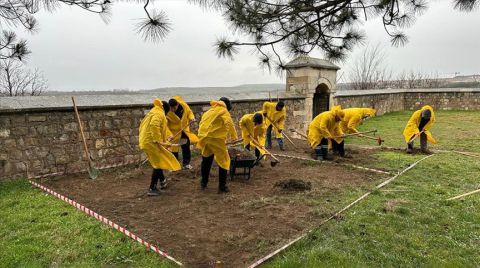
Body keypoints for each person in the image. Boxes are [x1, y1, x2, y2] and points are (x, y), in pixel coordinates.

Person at [138, 99, 181, 196]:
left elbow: (161, 128)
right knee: (158, 163)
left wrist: (168, 136)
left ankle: (162, 181)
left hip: (146, 141)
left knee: (159, 160)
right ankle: (152, 188)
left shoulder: (153, 112)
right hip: (151, 143)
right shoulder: (159, 114)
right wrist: (158, 140)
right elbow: (154, 125)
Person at [196, 97, 238, 193]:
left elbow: (202, 123)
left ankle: (204, 182)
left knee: (206, 160)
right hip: (216, 139)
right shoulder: (223, 110)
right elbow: (229, 123)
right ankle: (222, 187)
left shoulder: (210, 111)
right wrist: (234, 137)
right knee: (224, 160)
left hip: (205, 138)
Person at [166, 96, 199, 170]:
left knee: (186, 146)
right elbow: (165, 125)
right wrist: (169, 134)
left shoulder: (183, 106)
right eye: (171, 108)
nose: (172, 110)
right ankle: (174, 166)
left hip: (184, 130)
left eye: (174, 108)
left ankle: (186, 164)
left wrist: (192, 118)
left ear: (177, 105)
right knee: (173, 149)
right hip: (174, 133)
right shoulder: (167, 112)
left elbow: (189, 112)